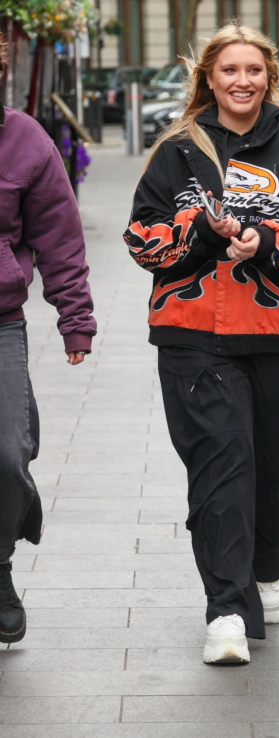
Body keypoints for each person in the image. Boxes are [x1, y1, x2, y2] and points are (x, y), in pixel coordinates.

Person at [124, 22, 279, 665]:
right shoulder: (177, 150)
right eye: (229, 70)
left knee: (276, 476)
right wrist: (199, 229)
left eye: (254, 70)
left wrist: (268, 241)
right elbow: (143, 237)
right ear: (210, 79)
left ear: (269, 77)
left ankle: (264, 570)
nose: (242, 81)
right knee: (222, 468)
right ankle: (225, 609)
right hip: (195, 337)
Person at [0, 34, 96, 644]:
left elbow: (59, 234)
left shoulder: (24, 138)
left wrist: (75, 317)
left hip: (0, 323)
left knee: (9, 456)